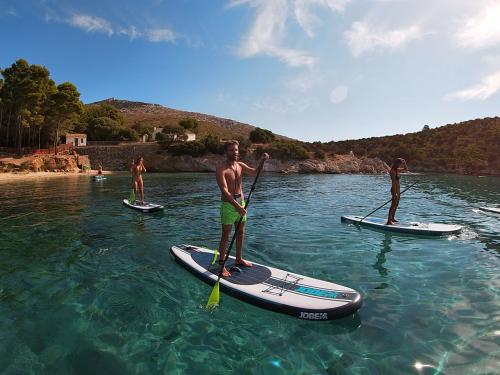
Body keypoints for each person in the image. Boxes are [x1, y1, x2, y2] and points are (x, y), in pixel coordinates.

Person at [216, 140, 269, 277]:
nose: (235, 152)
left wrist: (262, 161)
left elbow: (255, 172)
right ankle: (221, 266)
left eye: (236, 150)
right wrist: (237, 207)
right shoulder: (221, 169)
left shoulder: (240, 166)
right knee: (226, 236)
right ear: (226, 152)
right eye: (231, 150)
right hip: (229, 205)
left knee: (240, 233)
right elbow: (224, 191)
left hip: (241, 203)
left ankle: (238, 259)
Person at [387, 158, 408, 225]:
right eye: (400, 164)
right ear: (396, 163)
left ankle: (393, 218)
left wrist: (405, 163)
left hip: (398, 190)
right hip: (394, 190)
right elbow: (393, 182)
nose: (400, 165)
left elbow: (406, 170)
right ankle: (388, 221)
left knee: (396, 204)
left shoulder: (397, 170)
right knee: (393, 205)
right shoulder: (392, 171)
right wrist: (395, 193)